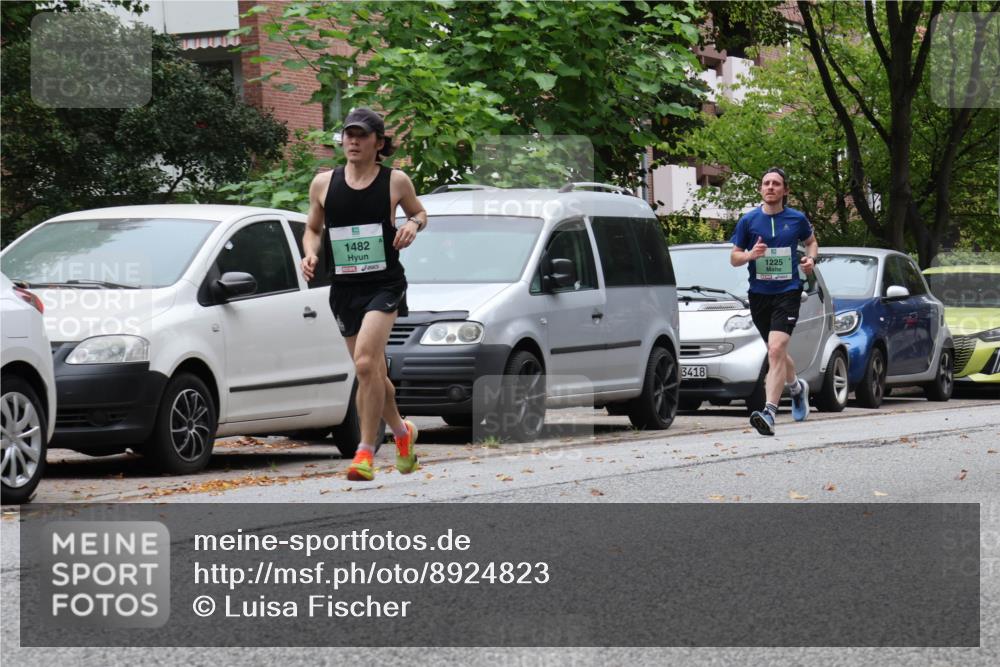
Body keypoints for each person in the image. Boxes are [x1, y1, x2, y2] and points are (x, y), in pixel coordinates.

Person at [301, 107, 428, 480]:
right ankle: (404, 434)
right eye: (348, 135)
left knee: (364, 364)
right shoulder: (323, 184)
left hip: (383, 285)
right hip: (344, 290)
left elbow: (421, 213)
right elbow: (312, 228)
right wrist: (310, 253)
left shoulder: (395, 181)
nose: (353, 141)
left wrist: (412, 226)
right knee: (372, 371)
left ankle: (365, 452)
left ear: (379, 143)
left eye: (361, 135)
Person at [730, 167, 819, 436]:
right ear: (760, 189)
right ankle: (797, 388)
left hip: (788, 291)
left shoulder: (796, 219)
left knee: (776, 347)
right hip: (759, 295)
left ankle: (769, 412)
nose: (770, 187)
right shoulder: (748, 221)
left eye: (776, 184)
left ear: (785, 190)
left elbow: (812, 242)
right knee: (776, 350)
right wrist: (750, 255)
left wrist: (810, 260)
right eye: (766, 183)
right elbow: (734, 257)